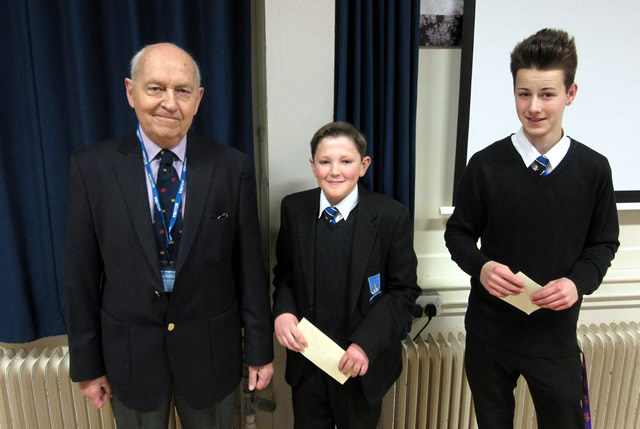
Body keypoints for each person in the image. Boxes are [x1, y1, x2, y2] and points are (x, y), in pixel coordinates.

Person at [65, 43, 274, 429]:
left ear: (198, 99)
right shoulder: (92, 168)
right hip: (131, 359)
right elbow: (80, 277)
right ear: (131, 92)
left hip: (212, 356)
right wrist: (87, 366)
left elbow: (250, 269)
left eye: (182, 91)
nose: (169, 103)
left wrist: (260, 350)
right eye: (155, 88)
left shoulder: (231, 167)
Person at [445, 29, 620, 428]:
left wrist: (577, 283)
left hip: (554, 337)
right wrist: (482, 267)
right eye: (524, 94)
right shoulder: (485, 164)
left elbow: (604, 243)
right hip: (489, 336)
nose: (534, 107)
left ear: (570, 93)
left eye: (547, 94)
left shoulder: (594, 169)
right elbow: (457, 234)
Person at [272, 121, 421, 428]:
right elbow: (285, 274)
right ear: (313, 166)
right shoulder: (294, 209)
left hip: (359, 364)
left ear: (363, 166)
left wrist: (366, 343)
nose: (335, 171)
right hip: (308, 362)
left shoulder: (391, 217)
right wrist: (284, 312)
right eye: (325, 162)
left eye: (346, 162)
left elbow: (402, 292)